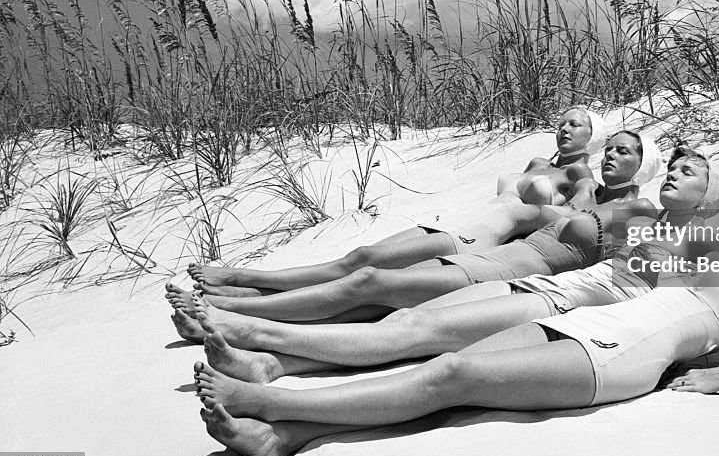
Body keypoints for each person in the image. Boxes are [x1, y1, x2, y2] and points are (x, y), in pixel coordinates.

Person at [193, 179, 719, 456]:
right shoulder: (697, 253)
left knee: (454, 373)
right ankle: (286, 433)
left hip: (625, 356)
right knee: (440, 360)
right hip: (595, 323)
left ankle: (272, 402)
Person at [189, 147, 719, 380]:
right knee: (393, 313)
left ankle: (257, 325)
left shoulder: (687, 228)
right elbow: (532, 204)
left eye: (690, 170)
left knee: (396, 312)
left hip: (564, 300)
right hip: (532, 277)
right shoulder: (637, 217)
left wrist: (705, 364)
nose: (676, 174)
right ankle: (270, 345)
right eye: (675, 167)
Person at [171, 131, 661, 334]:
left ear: (644, 167)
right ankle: (246, 295)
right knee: (371, 288)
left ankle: (236, 308)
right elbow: (528, 211)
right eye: (611, 149)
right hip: (494, 252)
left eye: (626, 152)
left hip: (508, 270)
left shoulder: (634, 207)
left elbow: (624, 268)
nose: (613, 156)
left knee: (370, 283)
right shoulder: (586, 194)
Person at [184, 107, 606, 296]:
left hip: (480, 239)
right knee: (361, 259)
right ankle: (255, 292)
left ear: (594, 136)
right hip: (461, 221)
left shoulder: (578, 174)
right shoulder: (535, 161)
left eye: (577, 125)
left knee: (364, 267)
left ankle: (245, 279)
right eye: (562, 122)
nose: (564, 129)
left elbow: (584, 209)